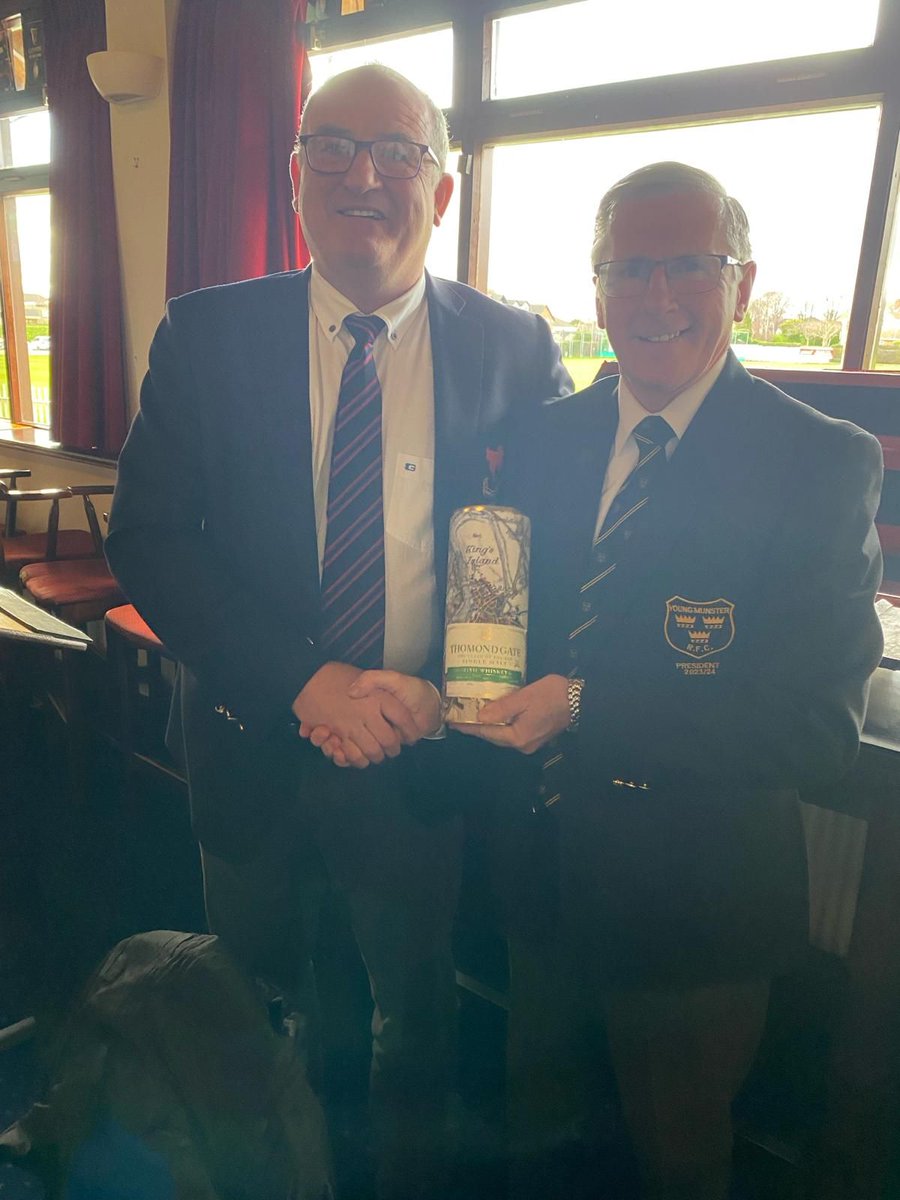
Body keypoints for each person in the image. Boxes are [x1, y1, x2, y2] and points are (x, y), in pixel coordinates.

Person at [106, 64, 571, 1200]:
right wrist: (305, 684)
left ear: (443, 189)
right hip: (253, 741)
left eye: (400, 151)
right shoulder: (207, 333)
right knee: (253, 1008)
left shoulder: (514, 347)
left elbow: (541, 550)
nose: (365, 174)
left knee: (412, 1021)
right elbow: (154, 540)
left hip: (420, 760)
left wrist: (441, 694)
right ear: (297, 173)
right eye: (334, 147)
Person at [451, 161, 885, 1200]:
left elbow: (816, 725)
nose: (656, 297)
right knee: (537, 1138)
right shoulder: (541, 443)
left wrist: (588, 704)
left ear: (741, 281)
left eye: (689, 265)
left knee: (678, 1157)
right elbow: (501, 627)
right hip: (540, 869)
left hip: (698, 907)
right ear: (596, 289)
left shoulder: (817, 461)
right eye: (629, 269)